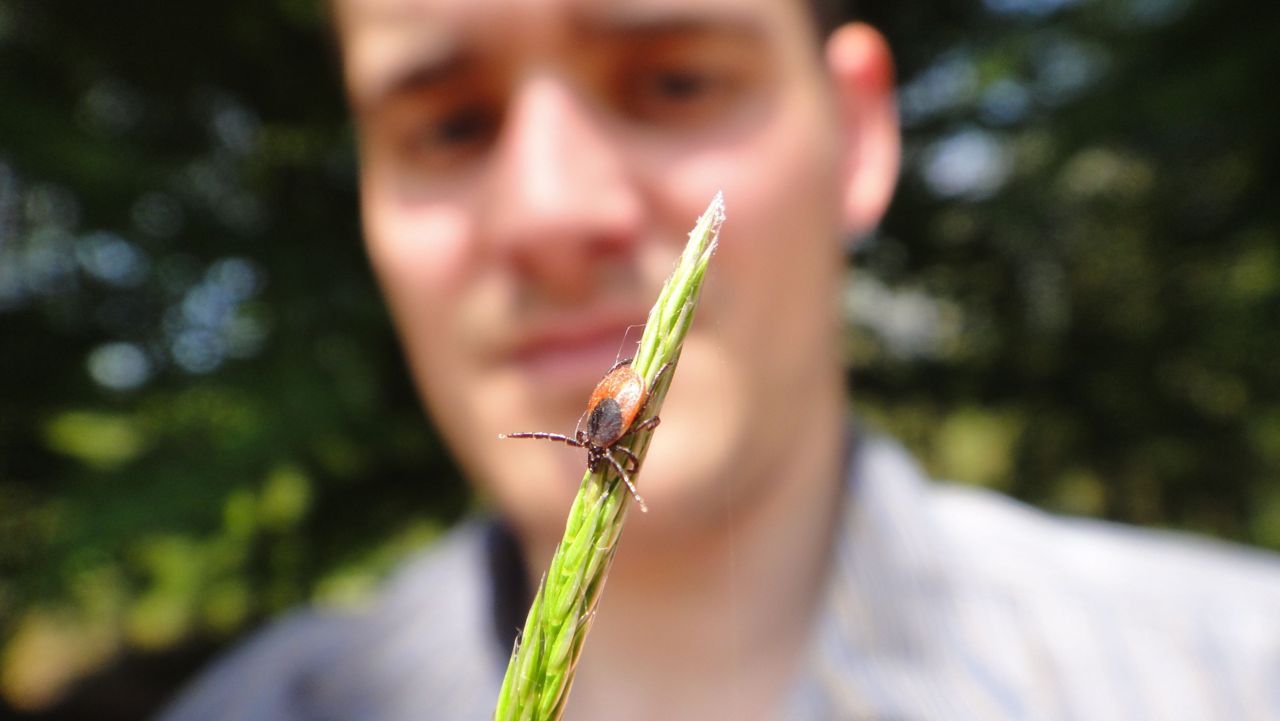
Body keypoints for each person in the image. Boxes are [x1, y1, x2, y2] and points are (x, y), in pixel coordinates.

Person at [157, 0, 1280, 719]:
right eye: (449, 127)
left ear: (858, 134)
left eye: (676, 80)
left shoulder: (1234, 672)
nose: (553, 210)